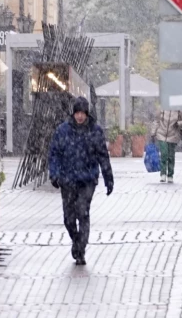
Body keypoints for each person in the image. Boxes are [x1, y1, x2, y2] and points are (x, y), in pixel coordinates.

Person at [48, 97, 114, 266]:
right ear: (73, 113)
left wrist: (108, 178)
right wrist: (54, 174)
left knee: (83, 212)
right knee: (69, 218)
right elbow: (54, 153)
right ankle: (76, 239)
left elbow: (102, 156)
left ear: (86, 114)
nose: (79, 117)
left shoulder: (95, 131)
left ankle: (81, 249)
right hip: (68, 179)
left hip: (87, 179)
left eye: (82, 113)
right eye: (77, 113)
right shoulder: (63, 131)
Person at [153, 110, 182, 183]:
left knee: (171, 156)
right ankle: (163, 174)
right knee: (164, 154)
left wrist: (178, 123)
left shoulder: (179, 109)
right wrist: (153, 132)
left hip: (173, 135)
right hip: (161, 134)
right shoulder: (162, 108)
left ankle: (170, 175)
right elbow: (156, 121)